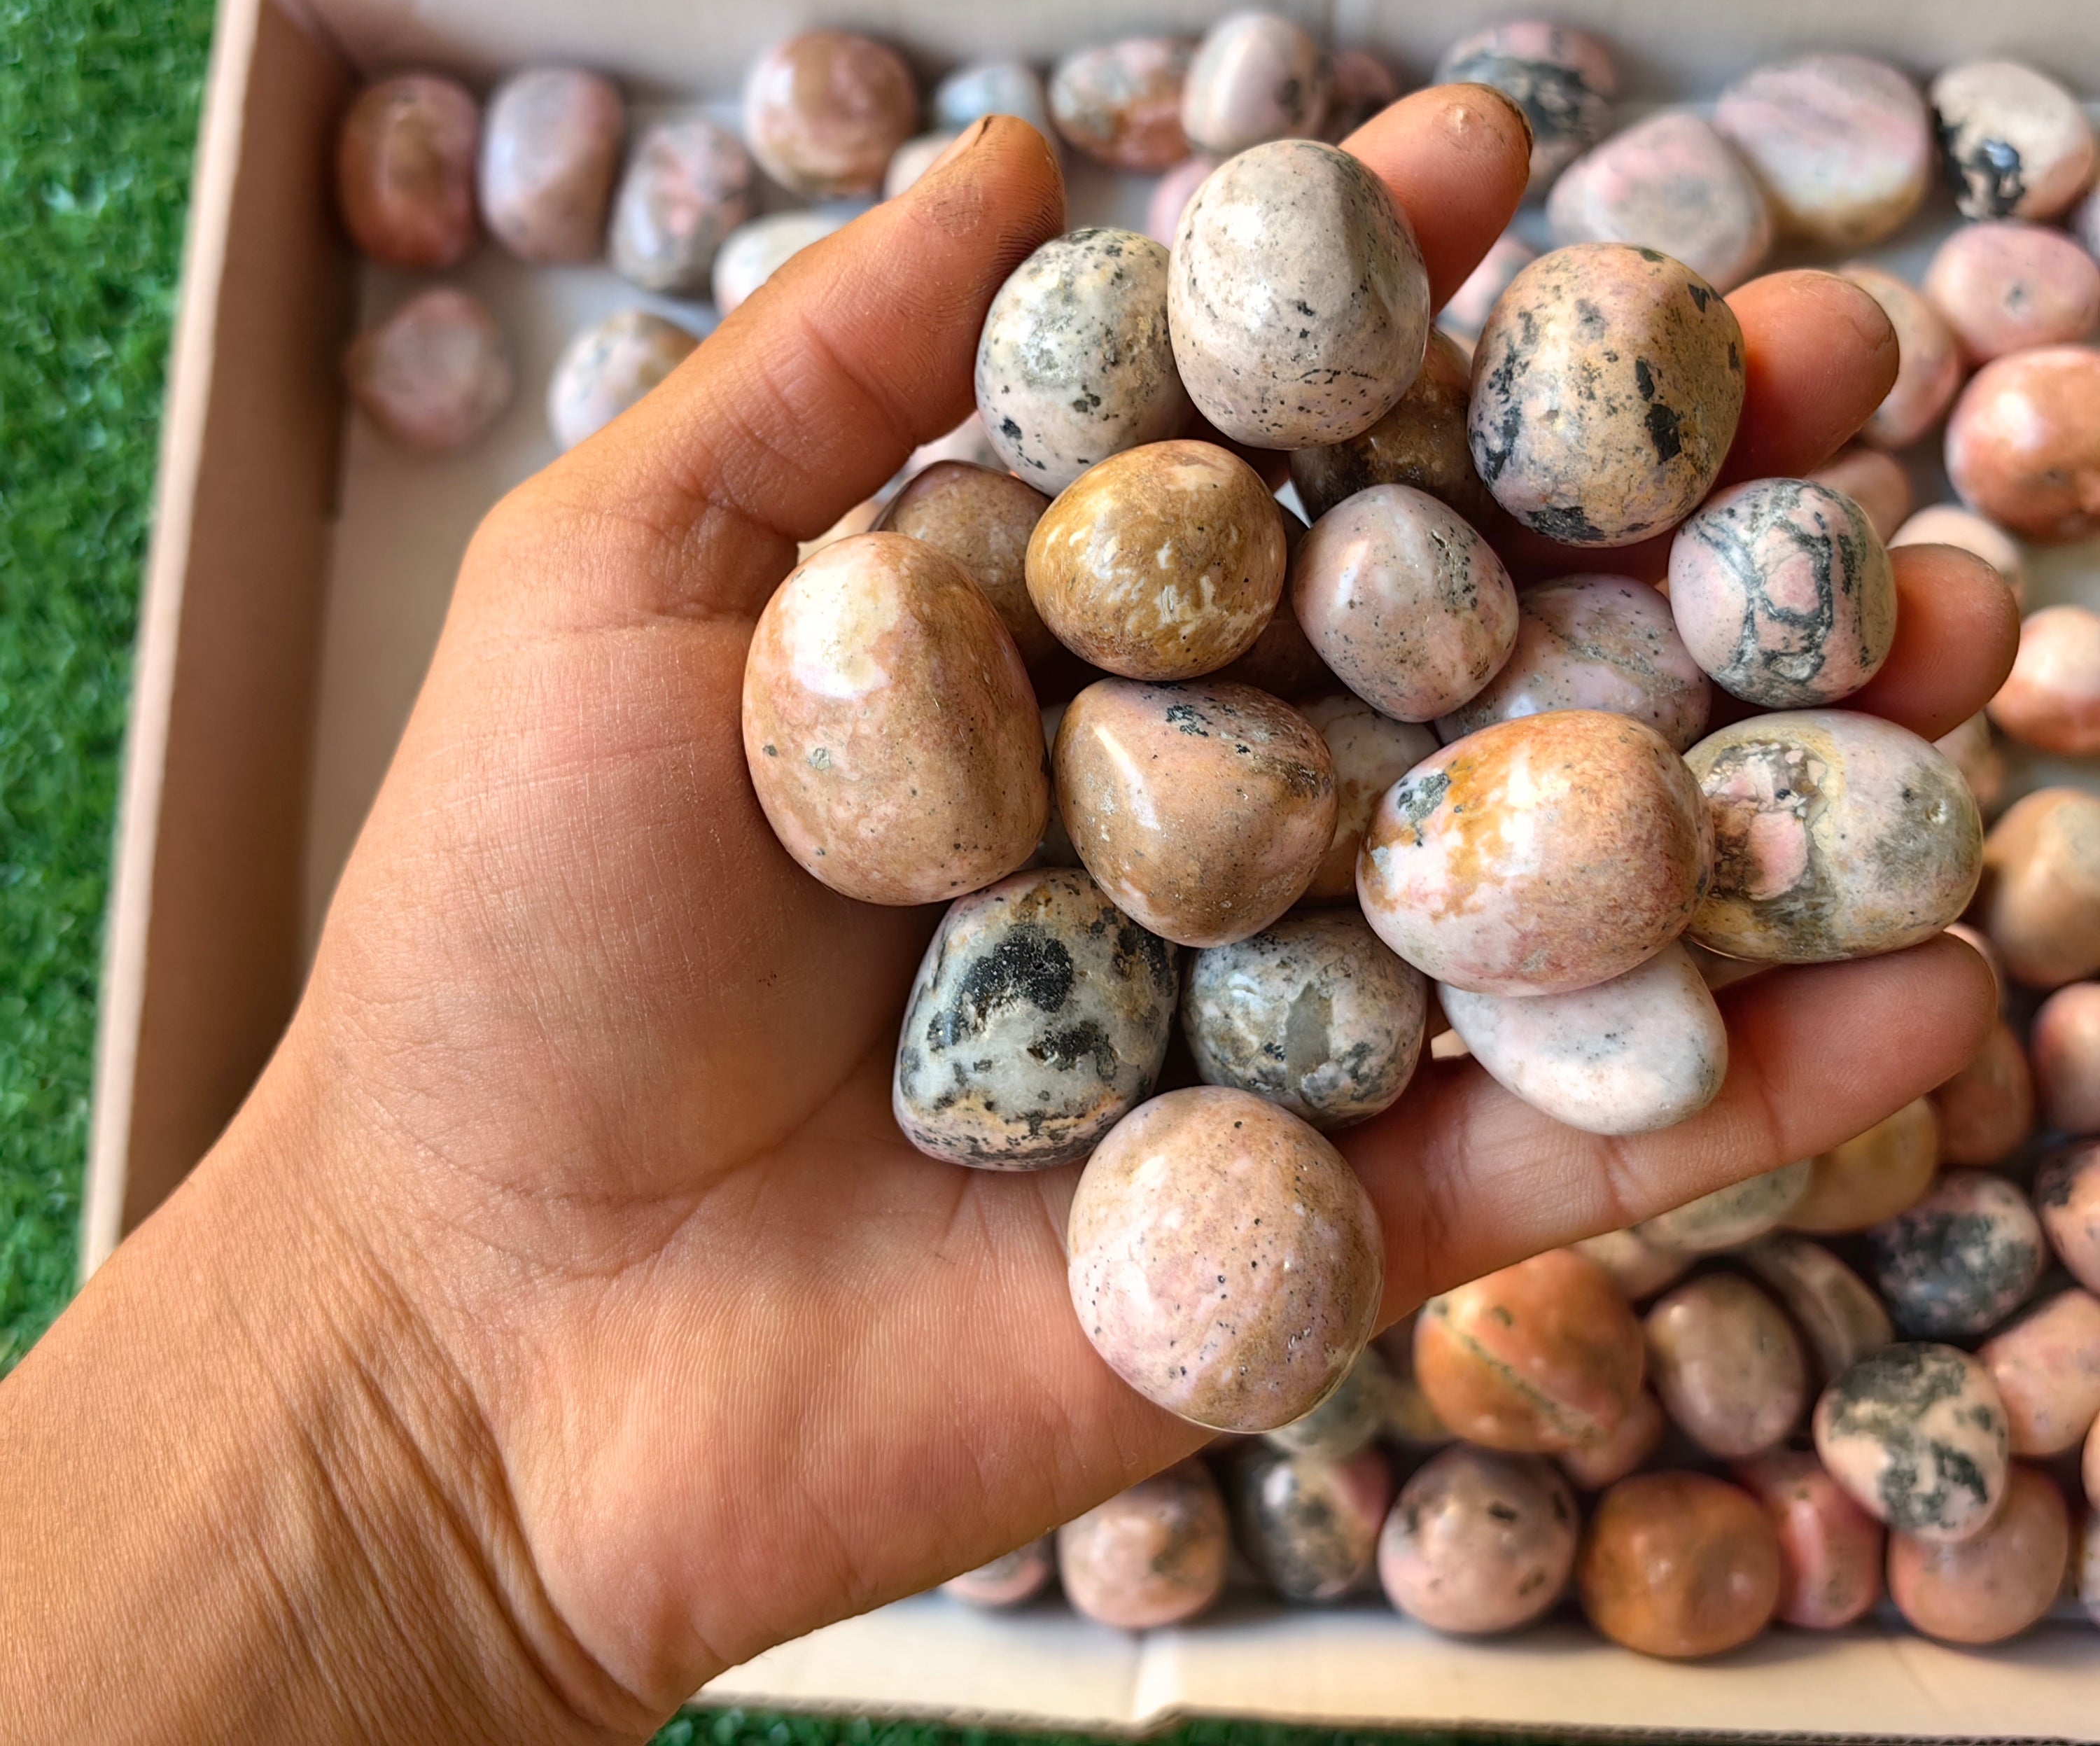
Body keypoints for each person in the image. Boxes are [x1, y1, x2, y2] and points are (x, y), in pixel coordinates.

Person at [0, 94, 2009, 1740]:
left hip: (1319, 873)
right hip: (1248, 911)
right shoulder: (1174, 717)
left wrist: (437, 1430)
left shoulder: (1369, 672)